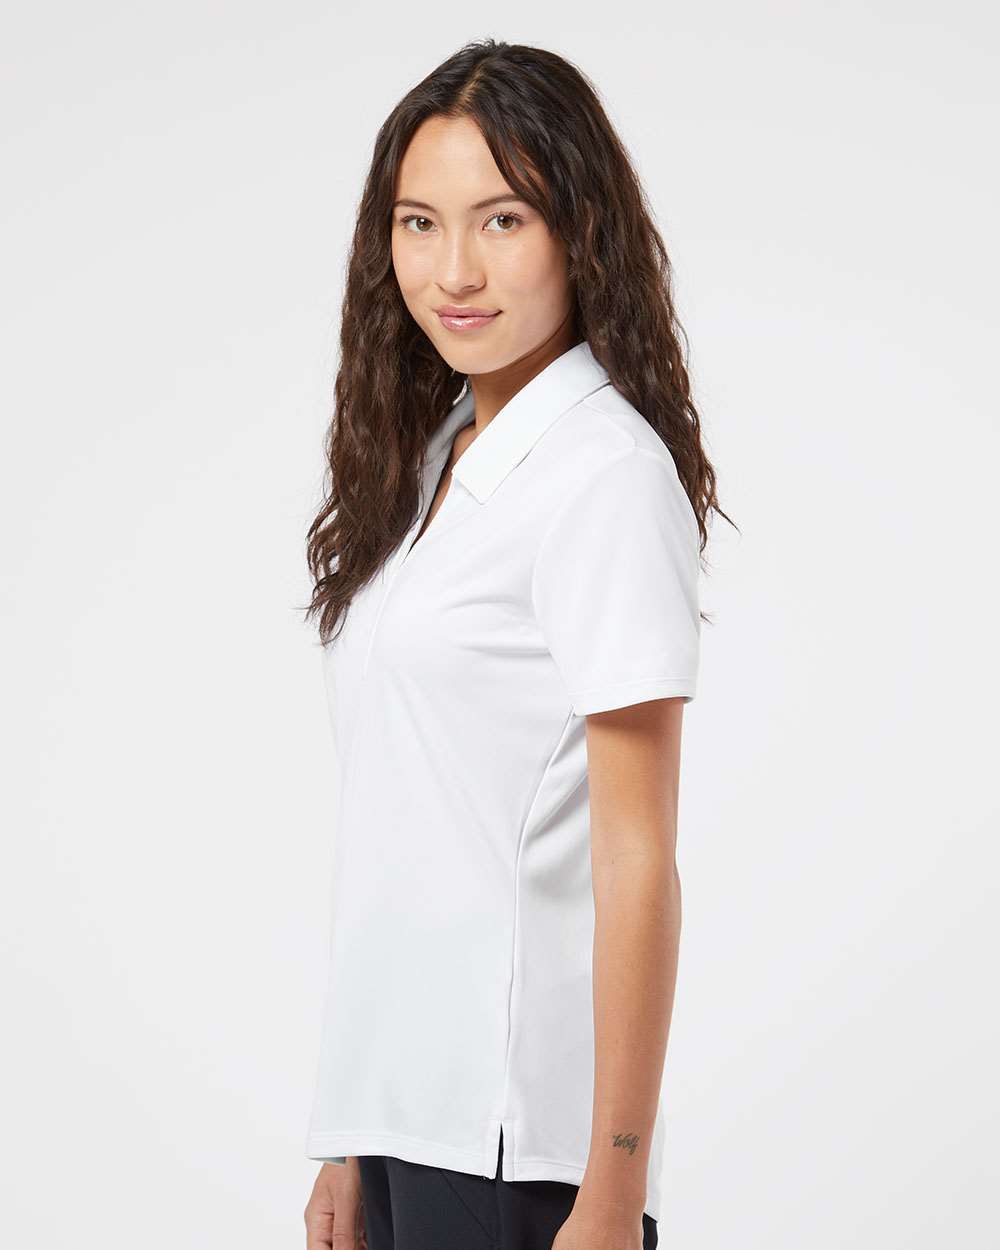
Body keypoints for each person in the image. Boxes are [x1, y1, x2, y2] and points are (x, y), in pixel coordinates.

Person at [301, 37, 728, 1250]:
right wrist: (348, 1131)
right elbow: (407, 829)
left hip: (514, 1141)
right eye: (419, 223)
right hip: (403, 1113)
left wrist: (613, 1188)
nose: (454, 270)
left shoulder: (602, 474)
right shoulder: (434, 460)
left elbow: (636, 859)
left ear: (578, 230)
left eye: (502, 219)